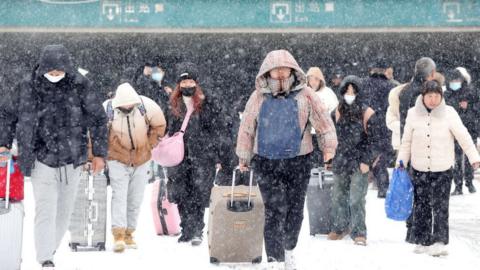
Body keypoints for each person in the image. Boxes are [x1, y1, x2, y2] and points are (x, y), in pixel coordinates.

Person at [0, 44, 108, 270]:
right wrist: (3, 144)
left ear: (67, 69)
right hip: (40, 157)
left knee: (65, 212)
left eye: (59, 73)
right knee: (45, 208)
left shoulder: (80, 85)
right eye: (51, 73)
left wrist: (99, 153)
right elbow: (7, 115)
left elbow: (98, 119)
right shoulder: (26, 86)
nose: (55, 77)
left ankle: (50, 248)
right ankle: (45, 258)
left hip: (72, 157)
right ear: (42, 69)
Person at [236, 50, 337, 269]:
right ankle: (274, 258)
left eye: (285, 68)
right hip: (265, 161)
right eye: (276, 68)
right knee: (273, 209)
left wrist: (328, 149)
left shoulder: (307, 95)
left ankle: (289, 248)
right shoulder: (258, 97)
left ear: (293, 69)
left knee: (295, 210)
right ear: (267, 71)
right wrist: (243, 156)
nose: (280, 73)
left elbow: (324, 123)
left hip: (298, 161)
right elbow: (247, 128)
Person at [397, 80, 480, 256]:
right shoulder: (413, 114)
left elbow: (464, 136)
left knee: (441, 206)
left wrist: (474, 158)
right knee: (421, 205)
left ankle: (440, 241)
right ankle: (423, 240)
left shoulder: (449, 113)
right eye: (429, 96)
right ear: (423, 96)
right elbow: (406, 141)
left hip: (443, 168)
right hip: (419, 167)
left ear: (441, 97)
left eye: (436, 96)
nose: (433, 100)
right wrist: (401, 161)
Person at [104, 82, 166, 252]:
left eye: (130, 105)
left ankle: (129, 233)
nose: (128, 107)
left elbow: (160, 126)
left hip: (142, 158)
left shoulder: (148, 107)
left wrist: (149, 145)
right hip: (117, 158)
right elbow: (95, 133)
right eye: (124, 106)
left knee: (136, 198)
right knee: (119, 195)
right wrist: (99, 155)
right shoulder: (106, 109)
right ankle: (118, 234)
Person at [166, 62, 222, 246]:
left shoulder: (207, 102)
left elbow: (215, 128)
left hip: (202, 155)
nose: (187, 85)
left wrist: (215, 154)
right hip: (178, 157)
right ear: (178, 84)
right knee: (181, 192)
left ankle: (197, 228)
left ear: (196, 82)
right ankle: (186, 229)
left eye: (190, 81)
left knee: (198, 192)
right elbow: (166, 128)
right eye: (184, 81)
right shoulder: (172, 104)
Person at [386, 57, 437, 244]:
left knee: (410, 189)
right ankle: (419, 232)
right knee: (423, 192)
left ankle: (410, 230)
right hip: (423, 147)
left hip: (405, 146)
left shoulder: (403, 91)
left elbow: (395, 118)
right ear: (431, 74)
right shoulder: (427, 93)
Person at [327, 75, 379, 246]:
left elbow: (375, 141)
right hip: (341, 160)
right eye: (347, 91)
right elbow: (329, 137)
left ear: (359, 93)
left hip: (359, 162)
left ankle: (358, 231)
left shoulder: (367, 113)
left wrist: (367, 161)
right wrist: (329, 157)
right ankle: (340, 227)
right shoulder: (336, 112)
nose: (350, 94)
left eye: (353, 91)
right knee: (337, 197)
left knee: (356, 198)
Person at [362, 58, 396, 198]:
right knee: (382, 154)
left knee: (370, 153)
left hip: (368, 123)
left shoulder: (364, 84)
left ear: (371, 70)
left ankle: (371, 182)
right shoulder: (391, 86)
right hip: (386, 124)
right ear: (385, 71)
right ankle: (382, 185)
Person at [444, 67, 479, 195]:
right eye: (453, 80)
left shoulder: (471, 92)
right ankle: (458, 185)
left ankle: (469, 183)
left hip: (470, 128)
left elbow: (477, 108)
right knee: (457, 159)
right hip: (454, 130)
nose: (455, 82)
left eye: (457, 79)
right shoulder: (447, 94)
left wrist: (468, 106)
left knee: (470, 156)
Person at [306, 67, 339, 167]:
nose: (313, 82)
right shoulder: (303, 93)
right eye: (311, 79)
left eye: (316, 79)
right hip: (307, 134)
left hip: (324, 133)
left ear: (320, 80)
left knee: (323, 162)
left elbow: (335, 112)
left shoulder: (328, 93)